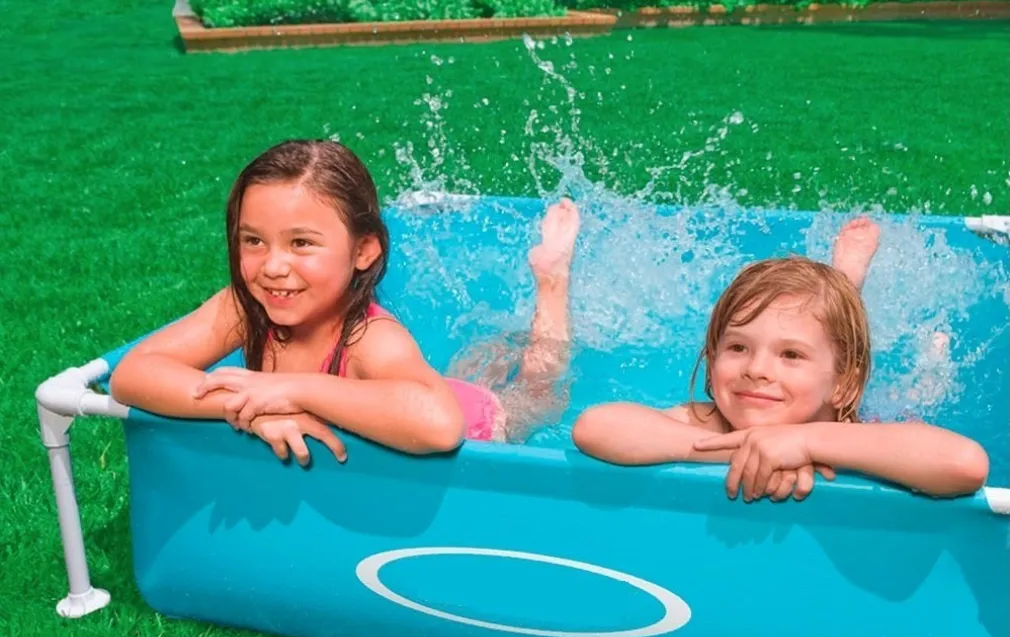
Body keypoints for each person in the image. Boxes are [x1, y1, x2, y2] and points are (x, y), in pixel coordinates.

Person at [110, 139, 578, 464]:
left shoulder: (371, 338)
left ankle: (552, 280)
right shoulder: (245, 307)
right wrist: (251, 409)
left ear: (364, 251)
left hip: (478, 420)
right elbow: (134, 373)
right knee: (468, 369)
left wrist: (293, 391)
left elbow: (440, 425)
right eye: (253, 240)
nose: (272, 266)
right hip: (398, 398)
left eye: (301, 243)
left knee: (536, 391)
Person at [572, 217, 989, 501]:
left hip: (837, 409)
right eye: (737, 348)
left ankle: (845, 286)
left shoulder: (851, 431)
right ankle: (836, 298)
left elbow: (965, 465)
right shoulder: (712, 422)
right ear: (712, 358)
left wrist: (806, 442)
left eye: (790, 354)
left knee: (911, 396)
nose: (755, 370)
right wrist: (753, 450)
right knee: (820, 337)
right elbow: (596, 427)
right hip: (824, 384)